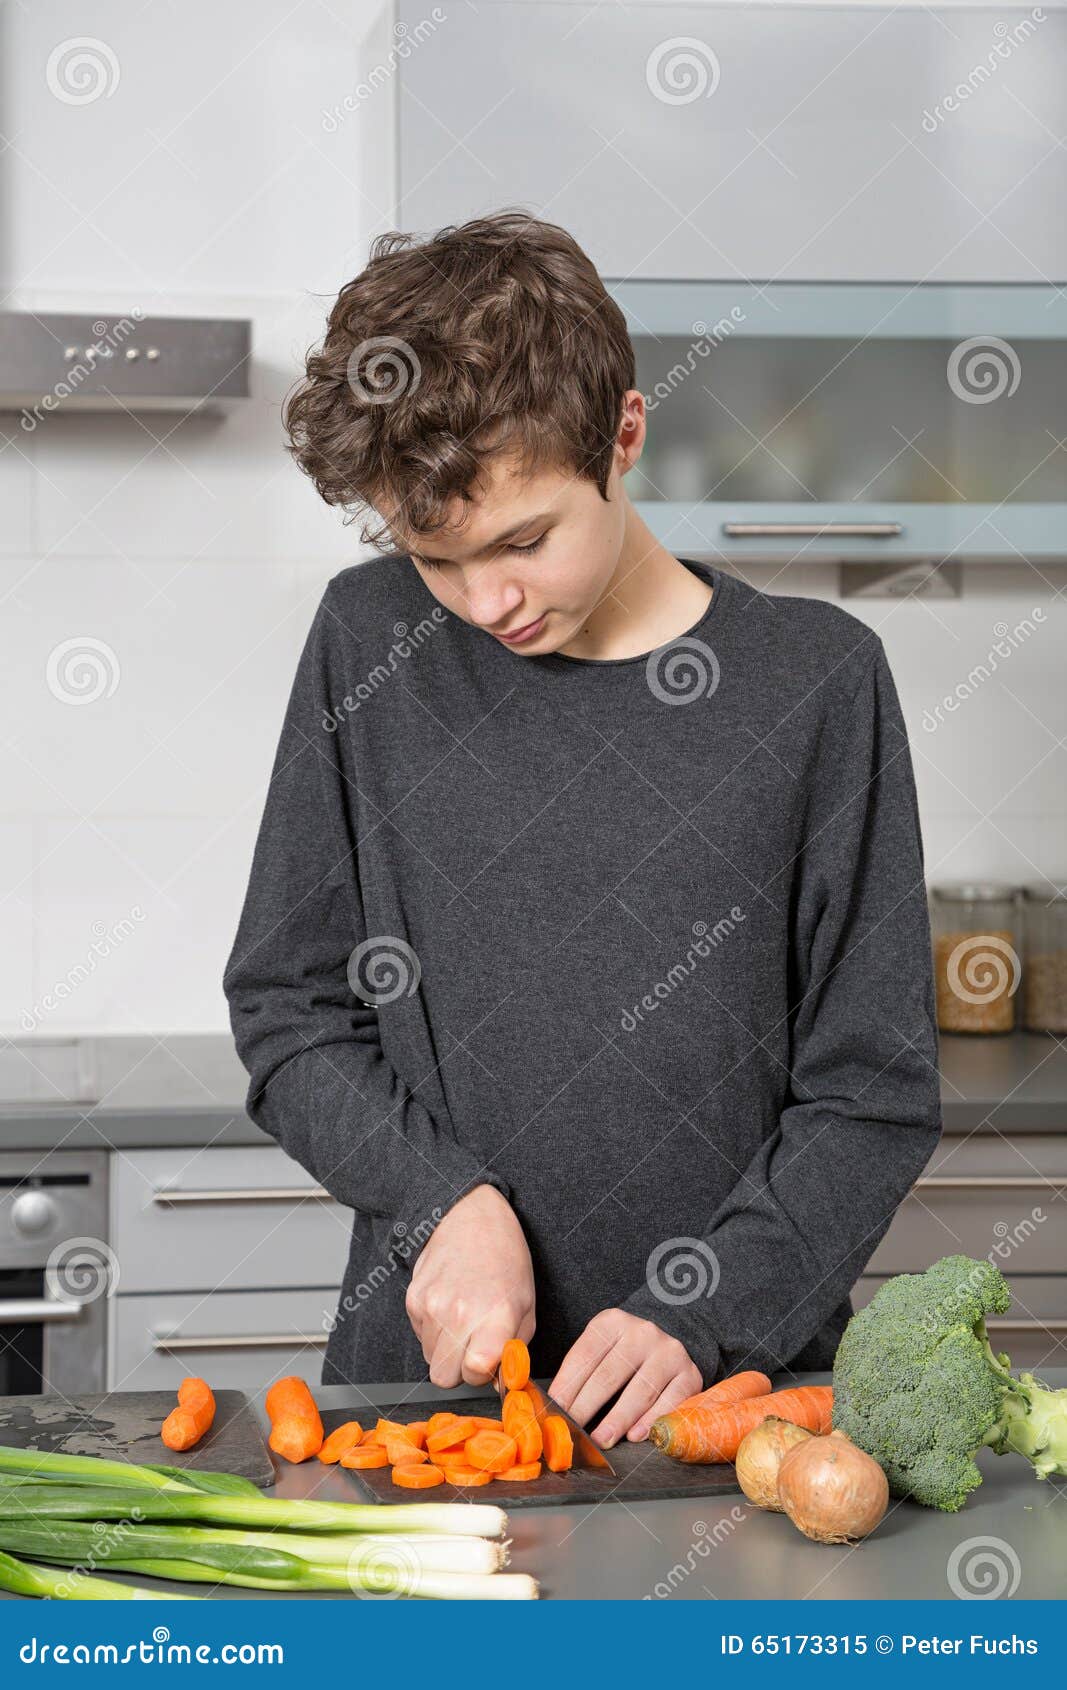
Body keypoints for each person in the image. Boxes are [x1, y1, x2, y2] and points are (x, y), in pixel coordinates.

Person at [222, 210, 941, 1449]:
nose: (484, 600)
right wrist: (441, 1201)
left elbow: (870, 1092)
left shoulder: (817, 684)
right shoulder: (367, 641)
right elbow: (288, 1009)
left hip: (732, 1409)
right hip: (428, 1405)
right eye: (435, 557)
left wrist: (704, 1309)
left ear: (622, 432)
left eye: (523, 541)